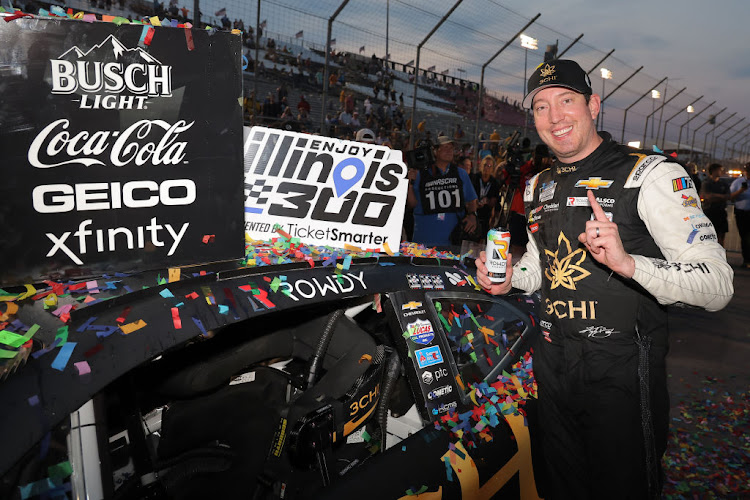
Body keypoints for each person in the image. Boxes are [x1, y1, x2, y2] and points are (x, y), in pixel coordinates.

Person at [474, 59, 733, 499]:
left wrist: (629, 264)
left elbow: (718, 285)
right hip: (552, 366)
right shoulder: (539, 185)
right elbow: (542, 267)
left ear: (593, 105)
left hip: (621, 371)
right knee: (560, 487)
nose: (555, 117)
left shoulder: (651, 175)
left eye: (567, 100)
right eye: (541, 107)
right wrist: (510, 280)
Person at [407, 135, 478, 249]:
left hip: (451, 241)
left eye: (451, 148)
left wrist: (472, 215)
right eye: (445, 147)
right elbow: (412, 204)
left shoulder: (461, 174)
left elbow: (472, 199)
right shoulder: (421, 173)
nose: (449, 151)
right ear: (435, 151)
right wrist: (409, 183)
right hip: (423, 240)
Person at [700, 163, 739, 247]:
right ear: (713, 171)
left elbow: (728, 196)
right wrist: (722, 197)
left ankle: (721, 253)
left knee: (721, 235)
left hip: (721, 212)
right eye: (719, 170)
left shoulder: (723, 183)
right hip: (709, 211)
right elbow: (707, 196)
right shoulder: (706, 183)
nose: (721, 171)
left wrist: (715, 196)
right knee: (708, 234)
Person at [472, 155, 500, 235]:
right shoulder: (474, 178)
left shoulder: (494, 183)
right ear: (481, 166)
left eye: (490, 166)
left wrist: (488, 201)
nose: (487, 168)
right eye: (485, 165)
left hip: (485, 216)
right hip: (473, 212)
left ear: (492, 169)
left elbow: (495, 202)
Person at [730, 163, 750, 267]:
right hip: (742, 212)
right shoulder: (738, 182)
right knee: (745, 237)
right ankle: (747, 260)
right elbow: (731, 197)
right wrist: (741, 191)